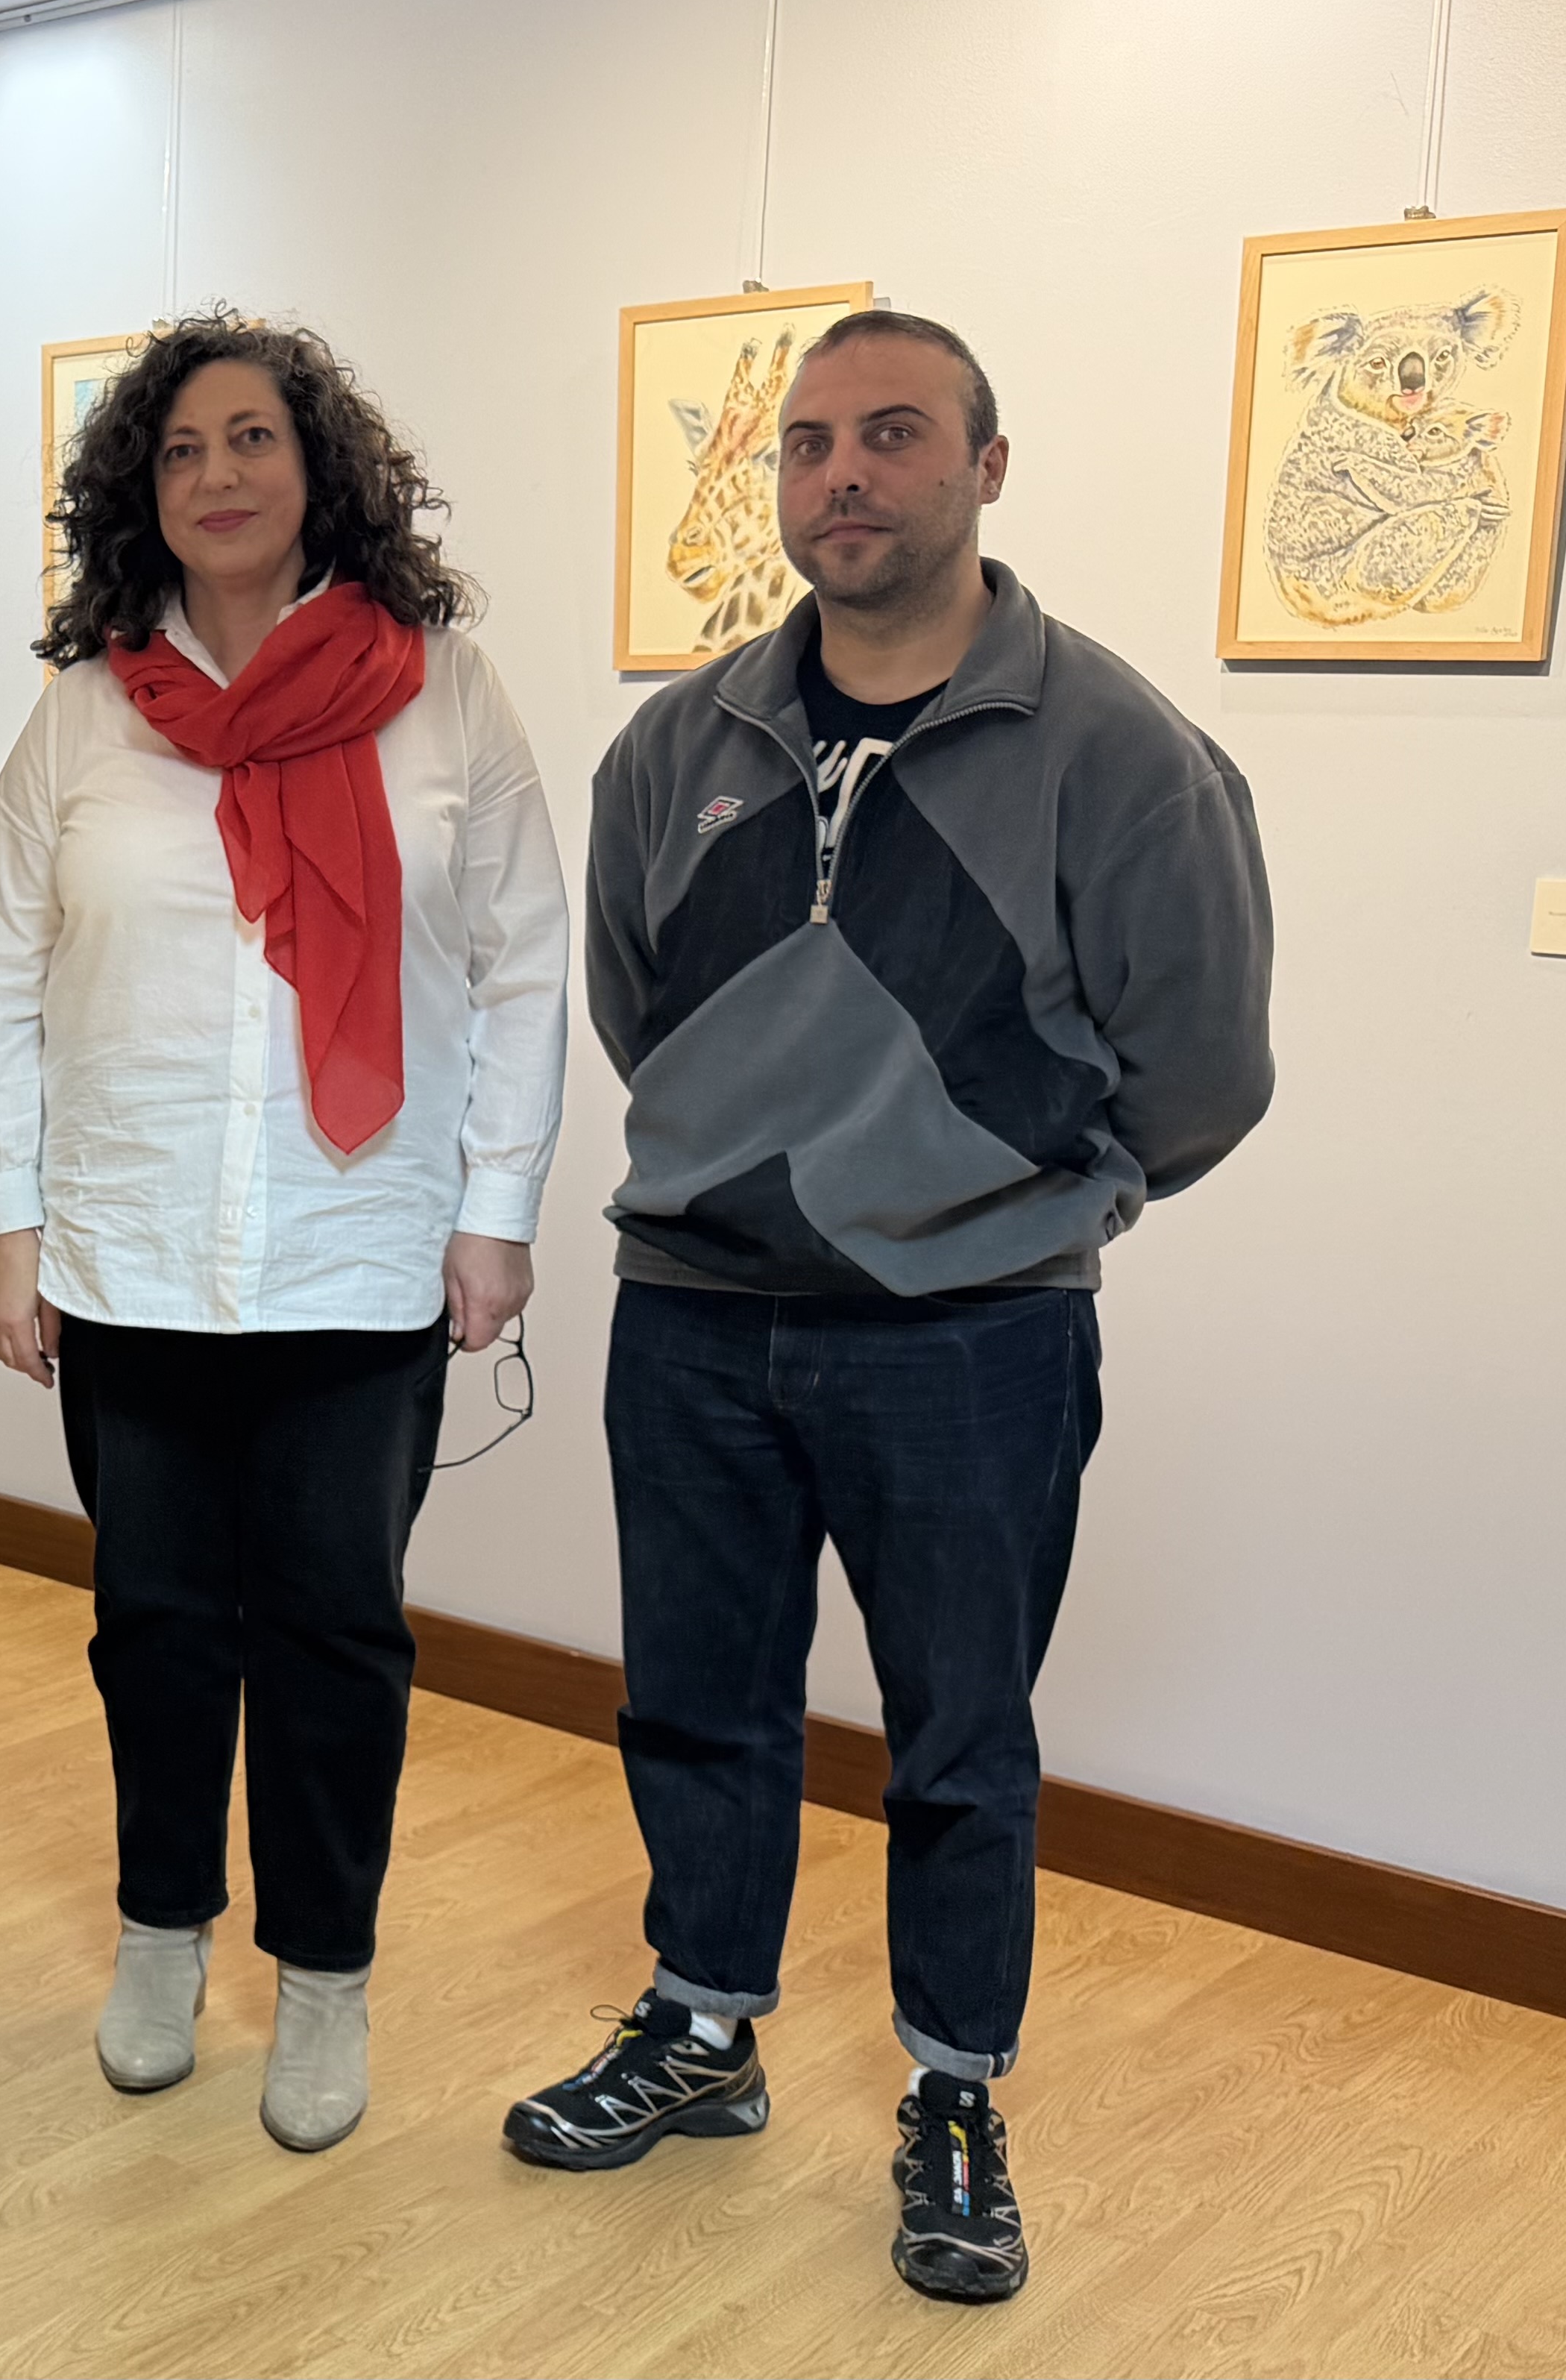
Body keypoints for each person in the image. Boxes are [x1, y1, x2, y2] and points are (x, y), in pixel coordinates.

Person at [509, 310, 1275, 2306]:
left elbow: (1204, 1066)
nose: (842, 474)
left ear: (986, 468)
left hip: (972, 1335)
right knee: (697, 1698)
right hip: (693, 1313)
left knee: (958, 1737)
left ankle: (953, 2090)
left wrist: (1016, 1207)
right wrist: (760, 1170)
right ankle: (703, 2021)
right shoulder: (676, 747)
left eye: (895, 434)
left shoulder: (1116, 751)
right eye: (810, 442)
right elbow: (638, 1007)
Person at [0, 313, 570, 2153]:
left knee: (334, 1631)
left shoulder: (443, 694)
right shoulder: (88, 709)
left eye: (253, 439)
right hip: (130, 1251)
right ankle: (161, 1931)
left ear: (320, 470)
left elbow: (524, 964)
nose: (217, 474)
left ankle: (325, 1970)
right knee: (153, 1623)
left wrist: (499, 1207)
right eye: (180, 449)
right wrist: (10, 1220)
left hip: (358, 1253)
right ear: (139, 493)